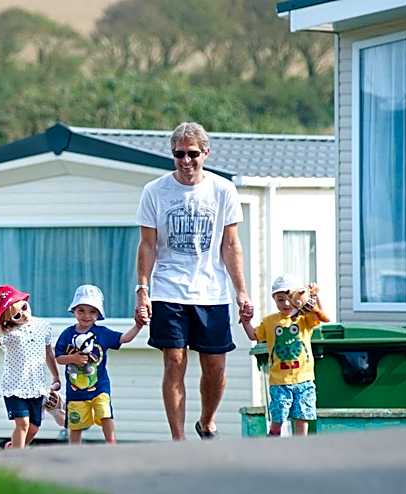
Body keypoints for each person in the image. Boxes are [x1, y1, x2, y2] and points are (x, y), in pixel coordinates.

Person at [134, 121, 251, 441]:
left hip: (211, 290)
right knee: (174, 361)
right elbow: (147, 245)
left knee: (215, 366)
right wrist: (142, 291)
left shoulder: (222, 190)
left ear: (206, 153)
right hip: (168, 288)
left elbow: (231, 245)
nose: (186, 161)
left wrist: (242, 292)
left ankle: (207, 420)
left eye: (193, 154)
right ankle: (178, 438)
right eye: (179, 154)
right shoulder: (155, 191)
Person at [240, 275, 330, 436]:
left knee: (302, 417)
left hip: (304, 379)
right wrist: (246, 321)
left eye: (290, 299)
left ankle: (299, 451)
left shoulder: (304, 319)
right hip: (279, 381)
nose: (286, 304)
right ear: (274, 299)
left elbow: (321, 316)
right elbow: (254, 335)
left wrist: (314, 296)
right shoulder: (270, 321)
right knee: (277, 418)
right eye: (281, 300)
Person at [0, 284, 61, 449]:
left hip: (37, 386)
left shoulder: (43, 326)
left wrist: (56, 376)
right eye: (16, 316)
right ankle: (17, 459)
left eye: (23, 307)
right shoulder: (9, 334)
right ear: (7, 320)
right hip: (15, 387)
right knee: (22, 424)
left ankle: (12, 448)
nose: (23, 315)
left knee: (34, 427)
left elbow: (48, 352)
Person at [55, 284, 143, 445]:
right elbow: (59, 358)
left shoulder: (102, 333)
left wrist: (137, 326)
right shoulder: (67, 334)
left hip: (99, 387)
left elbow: (124, 338)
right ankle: (73, 451)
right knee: (76, 425)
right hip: (76, 392)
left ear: (98, 314)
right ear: (73, 311)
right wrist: (73, 358)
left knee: (105, 414)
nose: (86, 315)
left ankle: (111, 444)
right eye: (81, 310)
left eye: (92, 311)